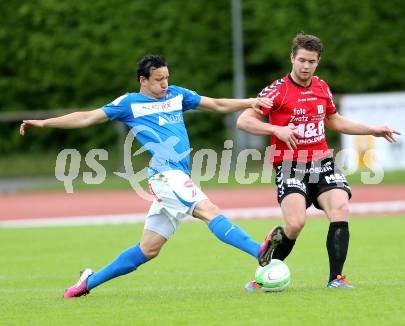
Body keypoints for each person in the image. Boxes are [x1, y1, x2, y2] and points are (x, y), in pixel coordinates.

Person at [20, 54, 282, 298]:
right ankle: (258, 250)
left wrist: (249, 102)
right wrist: (44, 123)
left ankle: (87, 283)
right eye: (158, 80)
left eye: (166, 78)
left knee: (148, 249)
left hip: (176, 177)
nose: (165, 84)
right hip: (165, 175)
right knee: (208, 209)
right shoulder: (129, 103)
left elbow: (215, 103)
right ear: (142, 80)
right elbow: (87, 117)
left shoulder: (177, 95)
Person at [237, 33, 400, 290]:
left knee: (340, 209)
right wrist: (276, 130)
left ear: (318, 61)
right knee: (295, 224)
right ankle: (263, 275)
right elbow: (244, 121)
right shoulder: (276, 90)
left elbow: (335, 121)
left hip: (322, 162)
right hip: (291, 165)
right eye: (301, 60)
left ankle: (336, 278)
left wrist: (373, 129)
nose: (305, 66)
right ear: (292, 57)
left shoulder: (322, 88)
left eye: (311, 61)